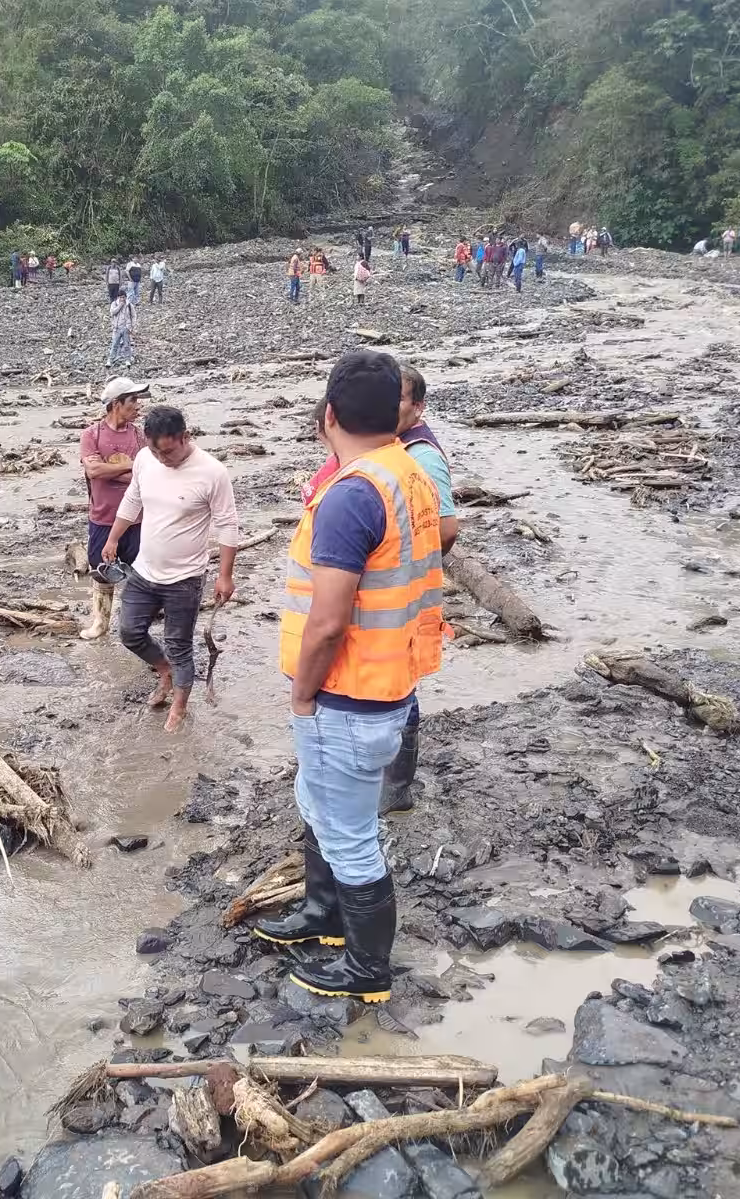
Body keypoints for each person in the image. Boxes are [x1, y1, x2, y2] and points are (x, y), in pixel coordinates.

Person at [252, 350, 443, 1003]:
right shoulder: (408, 471)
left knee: (351, 835)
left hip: (347, 693)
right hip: (385, 688)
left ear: (328, 415)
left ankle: (367, 971)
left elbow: (328, 622)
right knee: (322, 807)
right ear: (396, 410)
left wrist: (301, 693)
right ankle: (325, 914)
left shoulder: (353, 494)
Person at [105, 405, 239, 733]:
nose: (163, 459)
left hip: (185, 578)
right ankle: (164, 670)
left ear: (184, 437)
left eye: (168, 451)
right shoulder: (145, 459)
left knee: (178, 643)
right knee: (129, 632)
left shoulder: (211, 472)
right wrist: (113, 539)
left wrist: (225, 575)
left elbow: (228, 523)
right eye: (155, 451)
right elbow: (132, 500)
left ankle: (179, 705)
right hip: (144, 570)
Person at [382, 364, 456, 816]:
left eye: (400, 401)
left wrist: (405, 565)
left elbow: (446, 528)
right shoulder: (393, 447)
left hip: (406, 593)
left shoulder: (422, 455)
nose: (391, 408)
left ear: (418, 407)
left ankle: (398, 787)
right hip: (394, 592)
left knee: (403, 686)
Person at [79, 378, 148, 639]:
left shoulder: (140, 435)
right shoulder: (92, 434)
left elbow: (145, 474)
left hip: (138, 517)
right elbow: (93, 470)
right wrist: (129, 466)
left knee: (139, 571)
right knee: (101, 571)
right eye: (132, 401)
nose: (137, 406)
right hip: (104, 516)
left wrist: (110, 472)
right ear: (116, 404)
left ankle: (135, 624)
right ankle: (100, 623)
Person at [107, 287, 135, 367]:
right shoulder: (114, 304)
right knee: (114, 345)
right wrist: (120, 306)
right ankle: (110, 360)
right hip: (117, 328)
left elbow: (133, 316)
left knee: (127, 345)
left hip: (126, 328)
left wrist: (131, 326)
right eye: (120, 297)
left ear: (125, 297)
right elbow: (113, 312)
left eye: (123, 297)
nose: (122, 299)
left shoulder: (129, 305)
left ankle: (127, 360)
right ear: (118, 297)